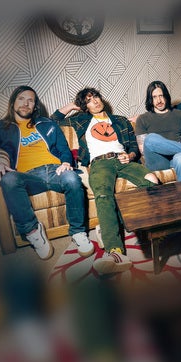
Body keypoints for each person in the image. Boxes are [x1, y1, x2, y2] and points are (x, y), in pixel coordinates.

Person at [0, 86, 93, 260]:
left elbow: (63, 149)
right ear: (13, 102)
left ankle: (78, 232)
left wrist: (66, 163)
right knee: (8, 179)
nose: (25, 103)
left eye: (30, 100)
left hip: (55, 170)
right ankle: (33, 231)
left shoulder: (47, 123)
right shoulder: (1, 128)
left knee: (72, 178)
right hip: (28, 176)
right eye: (21, 99)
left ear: (35, 106)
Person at [53, 88, 159, 274]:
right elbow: (53, 121)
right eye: (89, 100)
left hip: (122, 159)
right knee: (103, 196)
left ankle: (120, 225)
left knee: (153, 181)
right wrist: (73, 106)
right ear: (84, 106)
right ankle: (115, 252)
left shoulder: (120, 120)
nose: (94, 101)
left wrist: (130, 155)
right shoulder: (81, 120)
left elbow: (133, 147)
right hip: (99, 163)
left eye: (96, 97)